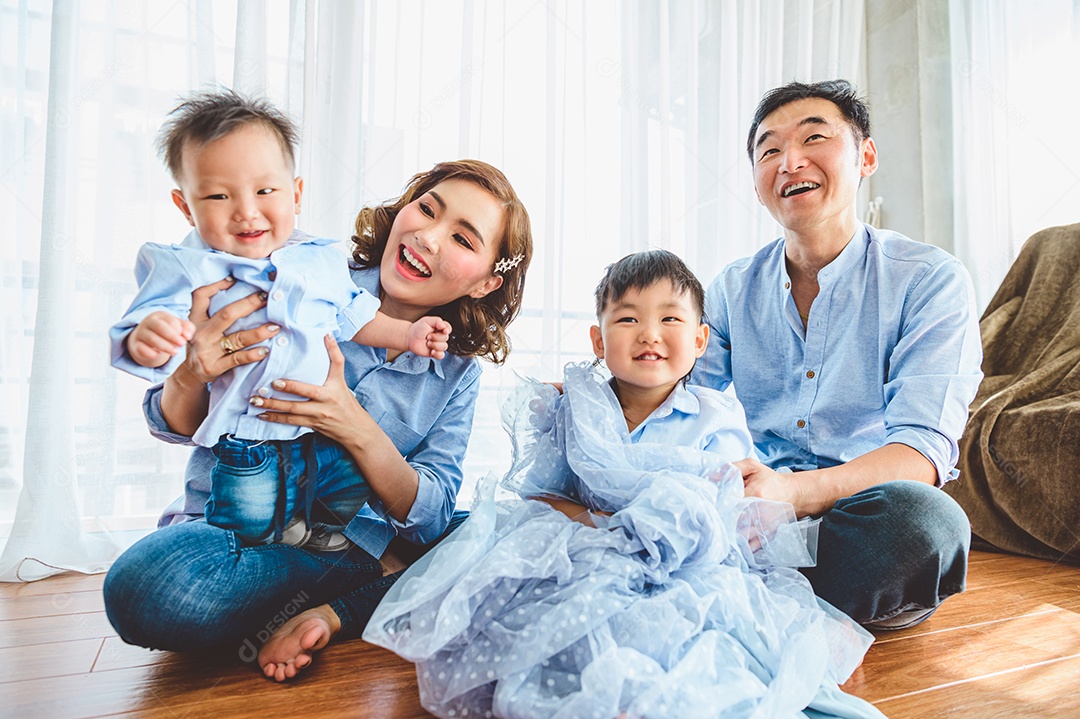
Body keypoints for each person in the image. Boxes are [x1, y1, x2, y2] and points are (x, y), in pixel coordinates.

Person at [364, 250, 885, 719]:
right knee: (559, 611)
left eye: (670, 319)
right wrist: (602, 527)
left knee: (692, 625)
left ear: (700, 340)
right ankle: (597, 688)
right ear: (598, 339)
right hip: (587, 551)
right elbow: (542, 498)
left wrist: (655, 530)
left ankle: (653, 690)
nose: (649, 333)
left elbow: (723, 509)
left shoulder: (715, 416)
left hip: (684, 563)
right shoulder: (576, 408)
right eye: (628, 318)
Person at [103, 157, 533, 683]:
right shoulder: (302, 275)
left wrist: (353, 423)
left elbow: (430, 515)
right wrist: (191, 371)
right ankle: (372, 587)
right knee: (142, 588)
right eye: (427, 209)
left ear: (487, 282)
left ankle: (333, 612)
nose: (429, 236)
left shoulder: (456, 373)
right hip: (234, 536)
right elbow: (170, 422)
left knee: (509, 531)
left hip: (343, 547)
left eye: (463, 239)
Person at [694, 79, 983, 630]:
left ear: (865, 156)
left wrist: (793, 495)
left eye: (813, 138)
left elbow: (921, 450)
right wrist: (605, 398)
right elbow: (680, 403)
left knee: (927, 525)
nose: (790, 161)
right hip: (753, 511)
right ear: (756, 182)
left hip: (859, 514)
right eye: (769, 150)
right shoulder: (731, 288)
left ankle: (738, 587)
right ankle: (770, 588)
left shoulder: (930, 279)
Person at [110, 89, 452, 549]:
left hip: (318, 442)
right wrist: (149, 339)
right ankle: (249, 551)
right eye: (217, 195)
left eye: (265, 190)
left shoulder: (318, 260)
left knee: (350, 483)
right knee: (245, 519)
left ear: (296, 194)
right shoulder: (184, 266)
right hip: (246, 438)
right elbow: (148, 321)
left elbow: (354, 317)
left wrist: (409, 334)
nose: (246, 210)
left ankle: (314, 546)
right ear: (185, 206)